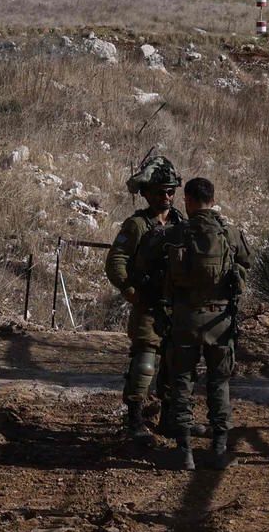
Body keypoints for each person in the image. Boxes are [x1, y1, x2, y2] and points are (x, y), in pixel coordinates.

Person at [156, 176, 249, 471]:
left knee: (182, 383)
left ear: (190, 201)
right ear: (213, 198)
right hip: (220, 321)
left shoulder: (177, 232)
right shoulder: (230, 233)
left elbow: (159, 273)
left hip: (185, 319)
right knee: (219, 383)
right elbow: (245, 266)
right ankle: (219, 449)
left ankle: (185, 452)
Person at [106, 152, 179, 450]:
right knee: (144, 364)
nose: (166, 197)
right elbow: (115, 262)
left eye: (171, 191)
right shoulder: (136, 225)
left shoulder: (180, 223)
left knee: (174, 366)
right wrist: (129, 291)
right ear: (147, 194)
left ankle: (170, 418)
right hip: (146, 304)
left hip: (174, 307)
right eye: (161, 192)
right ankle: (134, 421)